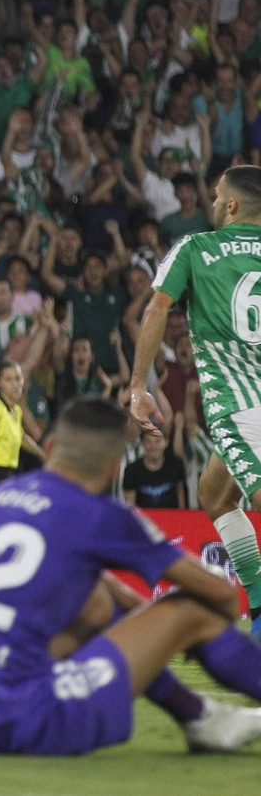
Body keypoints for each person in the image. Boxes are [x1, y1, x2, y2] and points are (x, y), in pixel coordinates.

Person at [0, 397, 261, 756]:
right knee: (192, 611)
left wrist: (146, 628)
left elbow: (104, 594)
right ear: (115, 469)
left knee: (95, 603)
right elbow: (222, 594)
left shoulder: (1, 497)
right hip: (16, 719)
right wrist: (173, 635)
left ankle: (197, 714)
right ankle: (207, 719)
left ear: (49, 448)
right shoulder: (98, 513)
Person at [130, 165, 261, 633]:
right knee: (214, 493)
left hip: (241, 404)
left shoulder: (196, 248)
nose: (210, 205)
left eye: (214, 196)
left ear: (231, 205)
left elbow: (156, 308)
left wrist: (138, 386)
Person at [0, 362, 46, 497]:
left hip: (12, 472)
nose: (15, 384)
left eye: (18, 379)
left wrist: (43, 454)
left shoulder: (16, 410)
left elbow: (21, 437)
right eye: (8, 380)